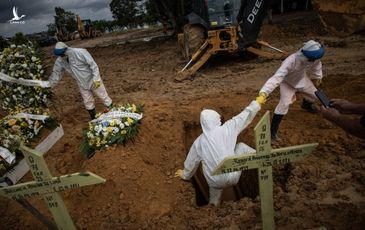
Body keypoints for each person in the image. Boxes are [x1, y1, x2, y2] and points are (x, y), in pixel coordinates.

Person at [175, 99, 261, 206]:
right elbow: (244, 116)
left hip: (215, 182)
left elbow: (191, 162)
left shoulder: (198, 142)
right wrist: (257, 103)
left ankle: (213, 206)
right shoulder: (227, 129)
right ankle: (261, 158)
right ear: (216, 120)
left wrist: (185, 174)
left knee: (205, 168)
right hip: (233, 175)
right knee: (241, 147)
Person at [256, 40, 325, 140]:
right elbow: (277, 77)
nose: (313, 61)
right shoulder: (290, 61)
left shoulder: (313, 58)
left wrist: (318, 77)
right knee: (284, 104)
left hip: (302, 80)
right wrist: (264, 93)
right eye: (311, 59)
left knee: (315, 96)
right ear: (305, 54)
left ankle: (306, 105)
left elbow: (317, 66)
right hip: (287, 83)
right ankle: (273, 131)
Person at [48, 42, 113, 119]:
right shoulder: (60, 61)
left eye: (63, 54)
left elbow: (93, 65)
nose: (62, 56)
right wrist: (48, 85)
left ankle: (114, 113)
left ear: (66, 49)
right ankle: (93, 118)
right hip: (81, 83)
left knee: (103, 96)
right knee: (87, 101)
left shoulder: (80, 52)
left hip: (92, 79)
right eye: (60, 55)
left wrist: (96, 79)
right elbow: (56, 74)